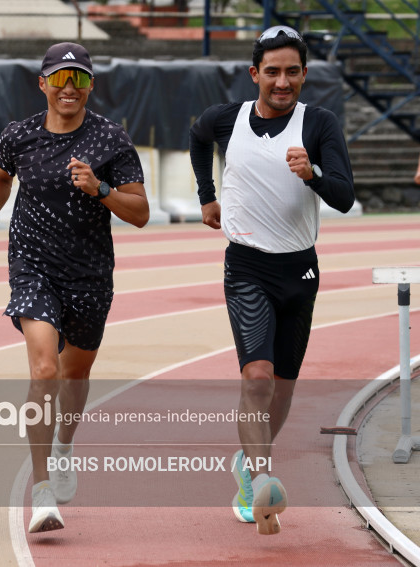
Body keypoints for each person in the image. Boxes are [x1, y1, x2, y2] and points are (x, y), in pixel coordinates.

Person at [0, 42, 149, 533]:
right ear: (43, 84)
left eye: (79, 79)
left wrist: (100, 189)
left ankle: (65, 444)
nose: (68, 88)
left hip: (89, 273)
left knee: (74, 376)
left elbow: (140, 213)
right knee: (45, 368)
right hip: (32, 265)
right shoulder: (20, 135)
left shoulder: (111, 140)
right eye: (59, 78)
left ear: (91, 85)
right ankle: (42, 487)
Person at [189, 26, 355, 535]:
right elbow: (197, 138)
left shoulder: (319, 123)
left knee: (282, 386)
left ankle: (249, 459)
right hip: (247, 265)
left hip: (300, 269)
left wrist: (313, 176)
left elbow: (345, 196)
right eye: (272, 71)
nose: (282, 82)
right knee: (255, 376)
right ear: (253, 73)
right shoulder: (226, 119)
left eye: (292, 72)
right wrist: (206, 196)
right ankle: (260, 478)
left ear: (304, 74)